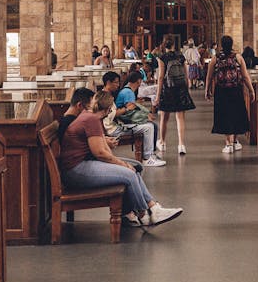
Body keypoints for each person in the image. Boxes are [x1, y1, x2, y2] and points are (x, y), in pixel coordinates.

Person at [59, 90, 182, 227]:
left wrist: (120, 163)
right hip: (76, 171)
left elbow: (101, 148)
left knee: (133, 168)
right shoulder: (91, 119)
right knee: (129, 174)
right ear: (108, 109)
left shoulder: (88, 117)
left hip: (76, 167)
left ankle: (151, 208)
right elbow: (100, 152)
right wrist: (120, 163)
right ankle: (144, 213)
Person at [102, 71, 164, 167]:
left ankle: (149, 155)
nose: (118, 85)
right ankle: (147, 158)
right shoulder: (105, 97)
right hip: (114, 130)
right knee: (149, 127)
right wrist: (127, 109)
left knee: (149, 126)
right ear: (108, 83)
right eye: (116, 82)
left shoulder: (107, 95)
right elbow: (113, 114)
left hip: (116, 126)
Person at [205, 35, 255, 154]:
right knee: (236, 113)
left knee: (225, 115)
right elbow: (245, 76)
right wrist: (251, 90)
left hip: (221, 90)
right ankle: (235, 141)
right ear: (232, 44)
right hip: (236, 89)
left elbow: (209, 76)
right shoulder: (238, 57)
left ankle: (228, 143)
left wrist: (207, 90)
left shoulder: (215, 58)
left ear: (221, 45)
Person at [155, 35, 195, 156]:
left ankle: (162, 142)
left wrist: (157, 96)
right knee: (180, 118)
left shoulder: (162, 58)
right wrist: (187, 89)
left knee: (164, 117)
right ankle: (181, 145)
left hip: (168, 88)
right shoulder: (180, 56)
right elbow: (186, 74)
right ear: (174, 45)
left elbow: (161, 77)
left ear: (163, 45)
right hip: (180, 88)